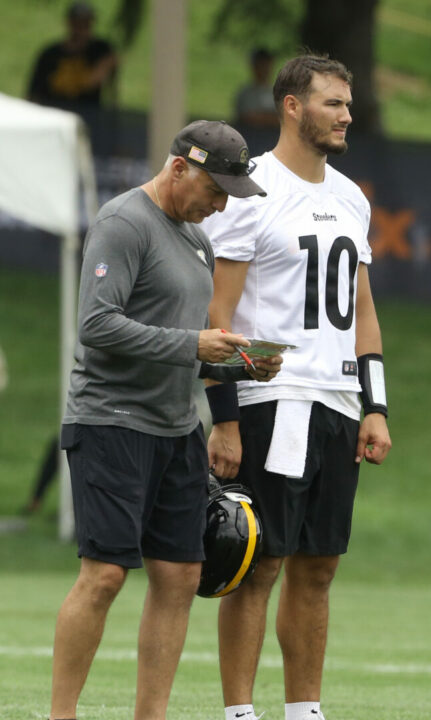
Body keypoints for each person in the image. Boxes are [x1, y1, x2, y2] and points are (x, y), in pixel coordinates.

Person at [50, 120, 276, 720]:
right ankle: (61, 715)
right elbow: (97, 326)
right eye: (215, 189)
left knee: (179, 577)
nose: (221, 204)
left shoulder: (197, 239)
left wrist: (242, 367)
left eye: (230, 194)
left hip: (177, 429)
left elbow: (185, 343)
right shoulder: (124, 223)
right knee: (103, 577)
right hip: (112, 423)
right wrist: (195, 346)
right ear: (179, 168)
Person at [201, 54, 393, 720]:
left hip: (337, 402)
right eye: (332, 103)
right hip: (270, 397)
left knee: (319, 566)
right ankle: (239, 711)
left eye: (347, 103)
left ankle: (304, 709)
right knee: (260, 561)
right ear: (292, 105)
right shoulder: (249, 185)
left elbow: (362, 309)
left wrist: (377, 406)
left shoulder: (351, 196)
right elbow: (216, 317)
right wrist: (224, 417)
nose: (346, 114)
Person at [27, 1, 119, 112]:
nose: (81, 28)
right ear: (69, 23)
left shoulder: (101, 50)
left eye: (85, 24)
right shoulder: (49, 54)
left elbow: (96, 80)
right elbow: (33, 94)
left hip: (89, 116)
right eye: (77, 23)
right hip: (55, 114)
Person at [234, 47, 279, 129]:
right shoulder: (245, 94)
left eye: (265, 64)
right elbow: (248, 118)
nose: (263, 68)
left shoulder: (278, 92)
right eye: (260, 65)